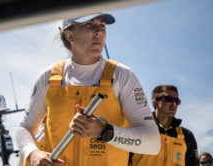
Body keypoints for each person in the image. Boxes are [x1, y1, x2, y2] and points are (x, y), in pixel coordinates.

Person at [15, 13, 161, 166]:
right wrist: (32, 153)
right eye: (89, 24)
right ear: (70, 35)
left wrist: (104, 131)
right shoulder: (48, 77)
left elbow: (152, 142)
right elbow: (25, 128)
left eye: (102, 25)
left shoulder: (123, 76)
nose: (99, 31)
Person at [129, 84, 199, 166]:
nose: (174, 104)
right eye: (169, 99)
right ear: (155, 103)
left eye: (177, 101)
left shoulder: (187, 136)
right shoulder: (138, 127)